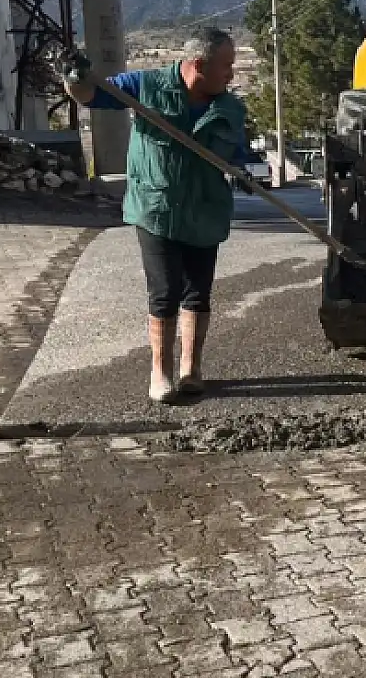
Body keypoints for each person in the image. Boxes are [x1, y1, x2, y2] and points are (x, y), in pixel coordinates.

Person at [62, 28, 248, 403]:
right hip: (157, 208)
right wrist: (74, 78)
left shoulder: (229, 108)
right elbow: (91, 95)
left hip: (205, 210)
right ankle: (160, 373)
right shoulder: (146, 86)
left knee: (198, 292)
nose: (232, 73)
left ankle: (191, 370)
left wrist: (242, 169)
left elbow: (239, 155)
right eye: (226, 65)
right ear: (199, 65)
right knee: (165, 291)